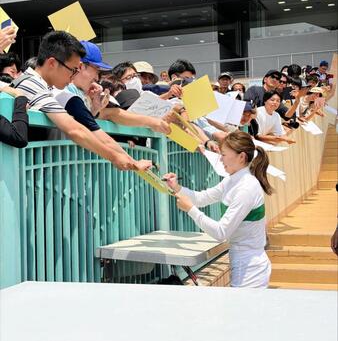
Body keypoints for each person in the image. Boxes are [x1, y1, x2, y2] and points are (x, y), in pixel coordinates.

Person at [13, 31, 151, 171]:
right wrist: (117, 158)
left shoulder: (37, 84)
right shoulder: (32, 85)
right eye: (72, 70)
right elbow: (74, 130)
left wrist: (127, 159)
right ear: (52, 63)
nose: (73, 76)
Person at [164, 131, 273, 288]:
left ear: (241, 157)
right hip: (243, 263)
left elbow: (221, 232)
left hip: (251, 269)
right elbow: (202, 198)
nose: (220, 159)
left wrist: (191, 210)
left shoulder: (246, 188)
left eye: (224, 155)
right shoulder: (232, 180)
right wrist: (176, 187)